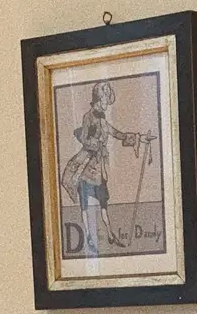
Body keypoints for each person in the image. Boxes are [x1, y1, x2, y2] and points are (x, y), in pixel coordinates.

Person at [60, 81, 143, 256]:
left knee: (104, 204)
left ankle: (111, 235)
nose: (107, 104)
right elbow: (83, 138)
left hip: (99, 171)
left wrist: (137, 138)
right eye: (106, 100)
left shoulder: (103, 119)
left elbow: (116, 133)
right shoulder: (88, 117)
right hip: (86, 168)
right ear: (99, 99)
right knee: (85, 207)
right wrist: (95, 144)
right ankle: (89, 236)